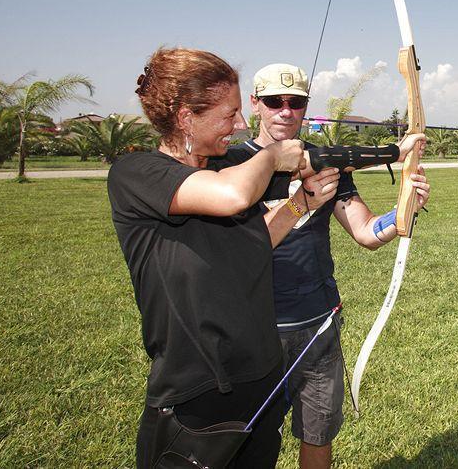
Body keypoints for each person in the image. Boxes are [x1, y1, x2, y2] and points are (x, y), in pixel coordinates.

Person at [108, 48, 325, 468]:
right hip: (197, 391)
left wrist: (303, 204)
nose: (241, 124)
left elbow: (250, 243)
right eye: (230, 115)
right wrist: (272, 156)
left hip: (260, 375)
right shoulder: (136, 174)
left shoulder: (229, 165)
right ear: (187, 117)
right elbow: (231, 197)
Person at [233, 63, 429, 469]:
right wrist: (299, 201)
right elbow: (244, 246)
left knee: (318, 434)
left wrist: (403, 211)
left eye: (296, 103)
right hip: (255, 328)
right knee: (247, 445)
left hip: (318, 323)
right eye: (274, 102)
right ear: (255, 105)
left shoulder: (327, 163)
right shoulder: (233, 165)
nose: (286, 111)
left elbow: (364, 231)